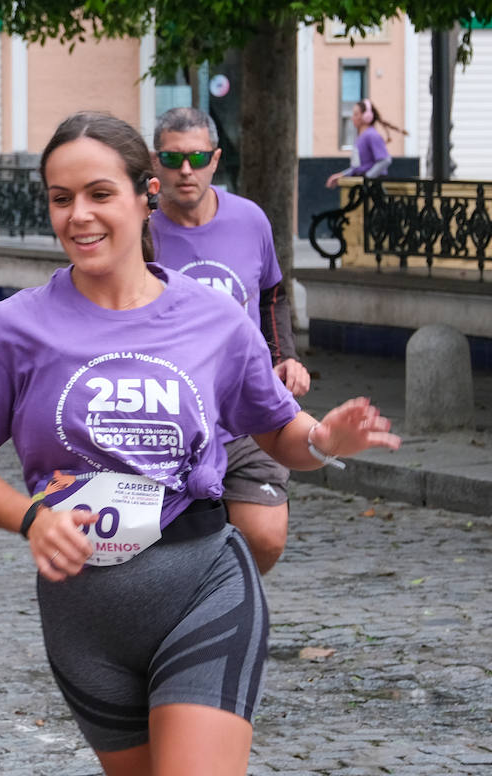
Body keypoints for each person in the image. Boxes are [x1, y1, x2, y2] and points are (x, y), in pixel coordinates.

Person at [0, 112, 400, 776]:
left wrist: (327, 438)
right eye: (62, 199)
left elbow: (280, 432)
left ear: (143, 194)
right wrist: (30, 516)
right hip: (83, 618)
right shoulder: (11, 330)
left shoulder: (213, 319)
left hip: (202, 586)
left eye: (99, 193)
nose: (79, 215)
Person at [149, 106, 309, 575]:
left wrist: (285, 358)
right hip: (168, 416)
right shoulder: (140, 229)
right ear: (154, 163)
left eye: (197, 158)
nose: (185, 170)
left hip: (246, 410)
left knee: (264, 537)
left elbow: (271, 296)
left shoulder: (250, 220)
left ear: (216, 160)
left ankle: (229, 605)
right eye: (172, 157)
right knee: (168, 549)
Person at [327, 98, 405, 188]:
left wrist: (367, 177)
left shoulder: (372, 135)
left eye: (356, 114)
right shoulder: (360, 137)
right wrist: (342, 175)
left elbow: (385, 160)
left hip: (373, 185)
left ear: (366, 117)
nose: (352, 118)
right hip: (362, 181)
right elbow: (357, 167)